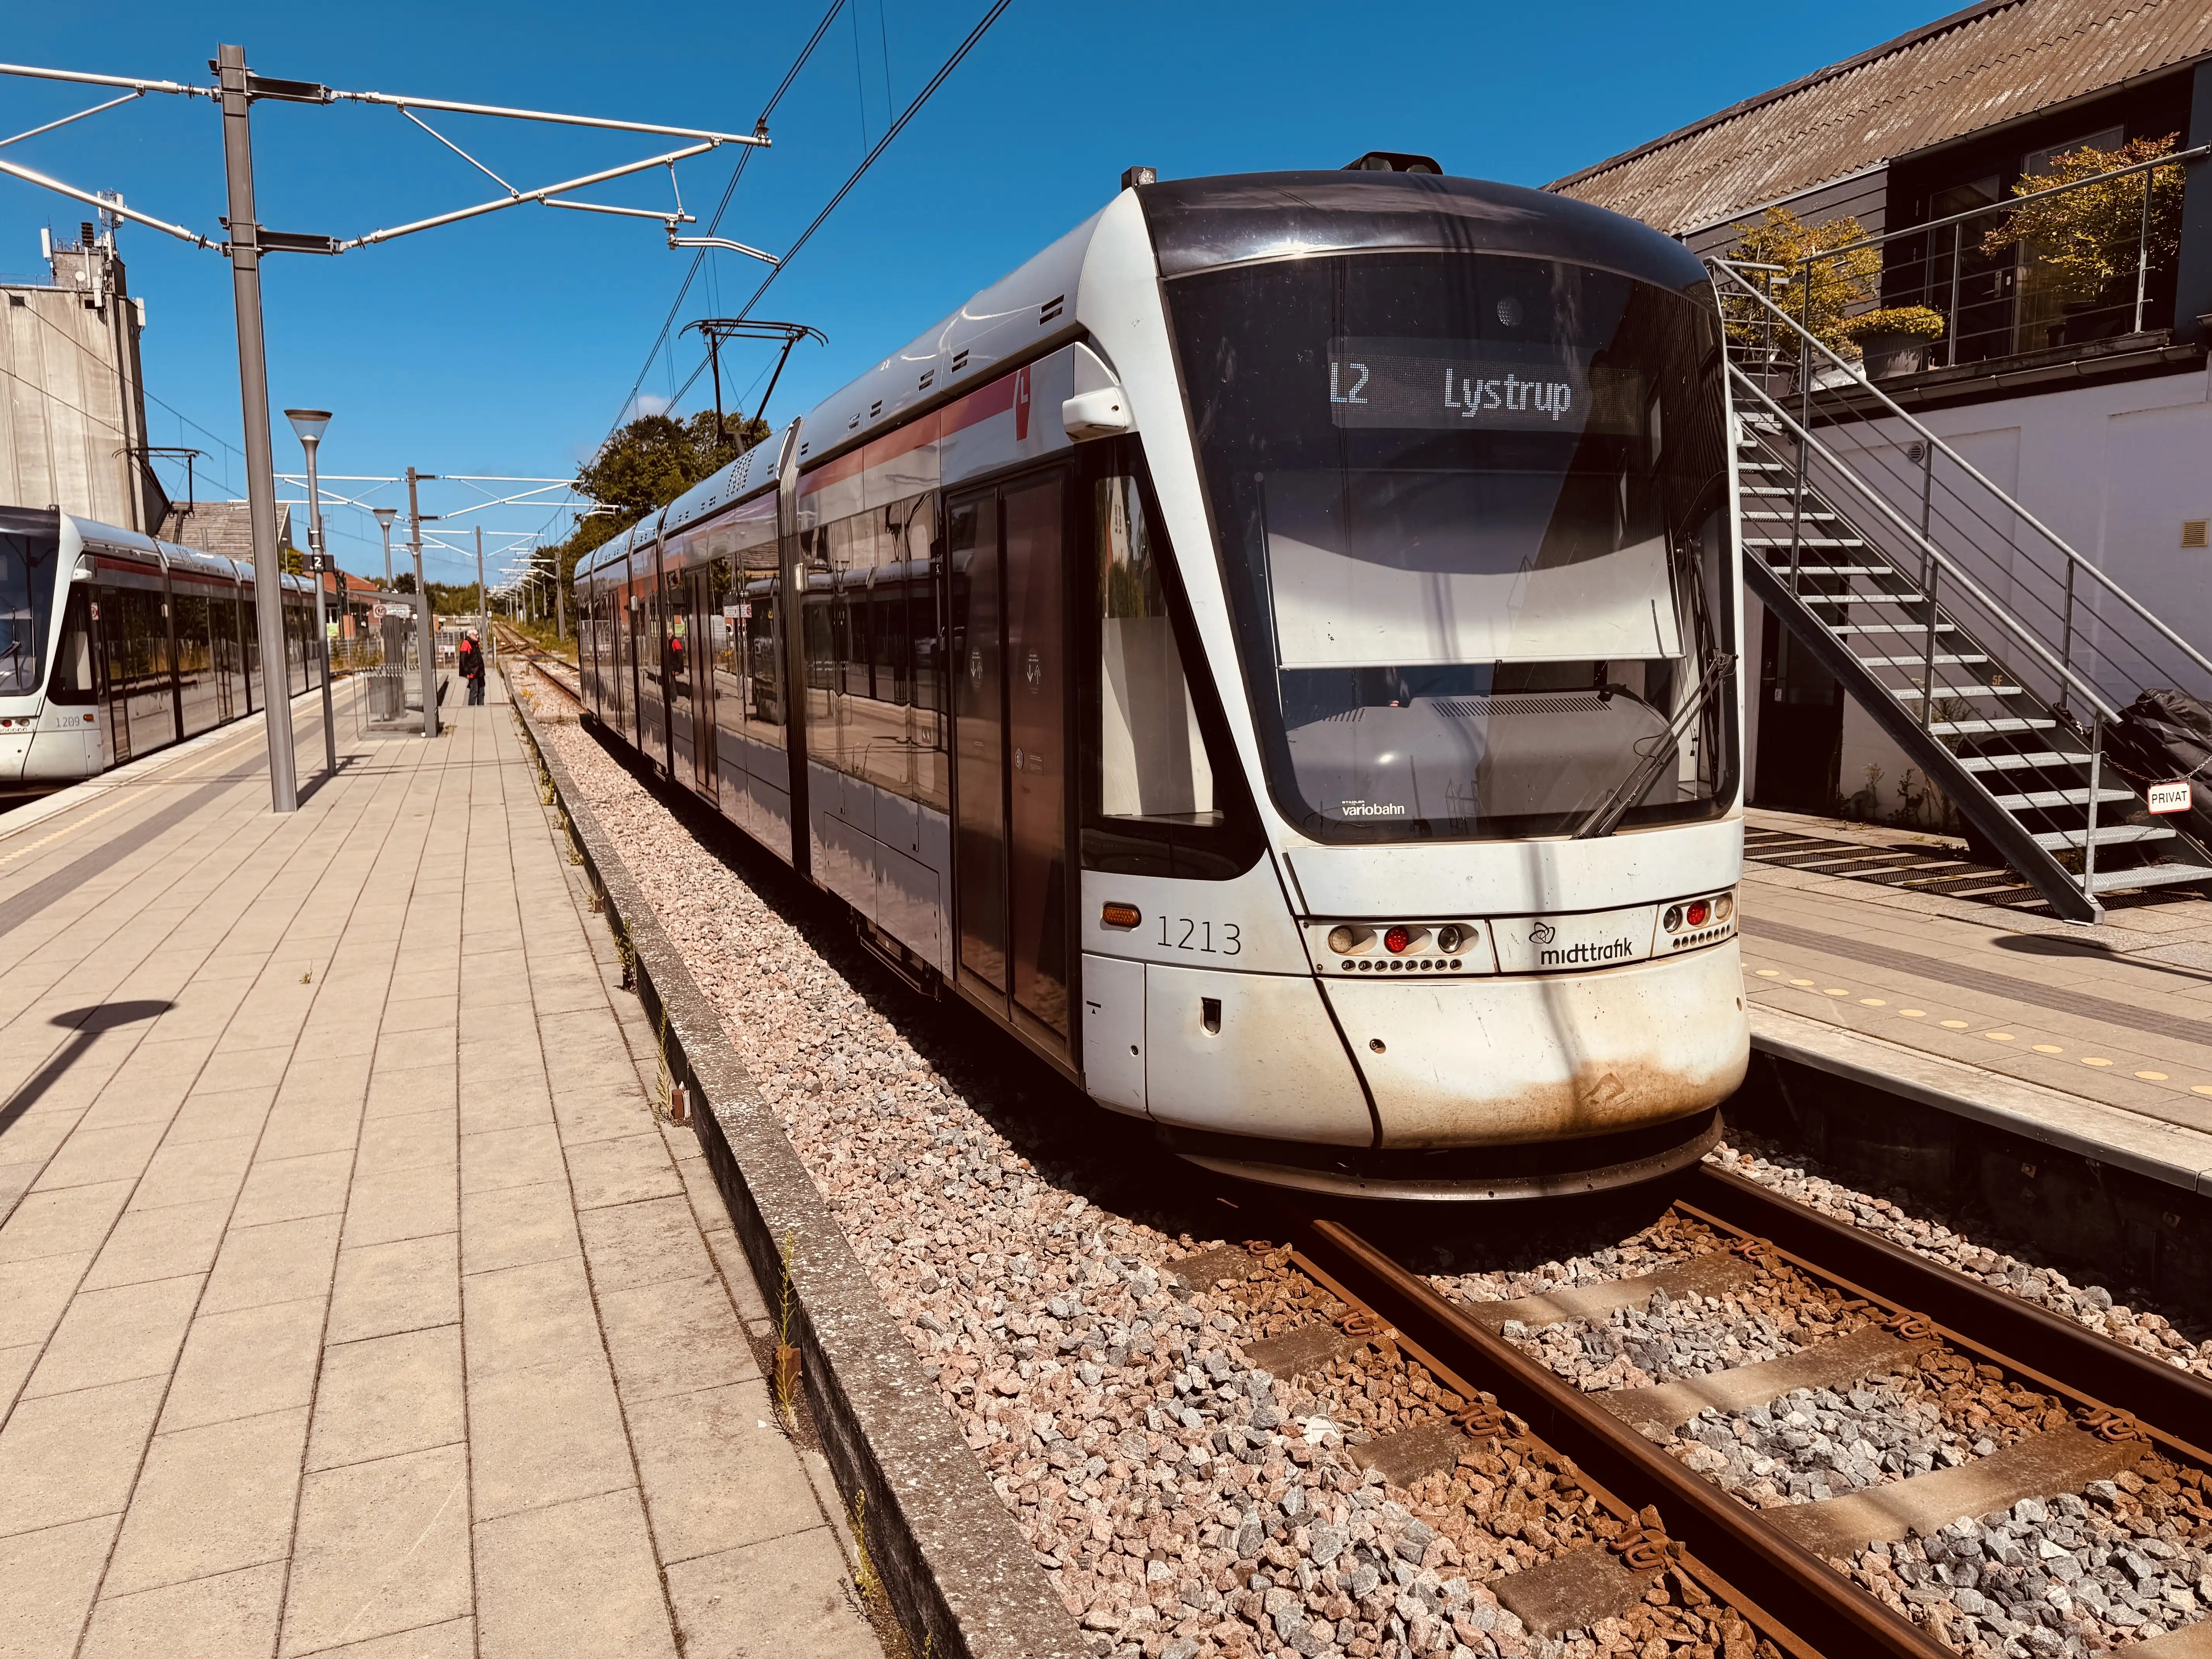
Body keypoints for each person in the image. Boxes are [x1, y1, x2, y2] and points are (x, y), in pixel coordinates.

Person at [459, 631, 485, 704]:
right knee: (474, 691)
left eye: (478, 635)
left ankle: (481, 707)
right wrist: (466, 672)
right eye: (476, 635)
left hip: (480, 672)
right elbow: (463, 660)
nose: (478, 637)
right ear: (470, 635)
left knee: (481, 691)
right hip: (473, 672)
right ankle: (471, 709)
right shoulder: (466, 643)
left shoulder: (475, 644)